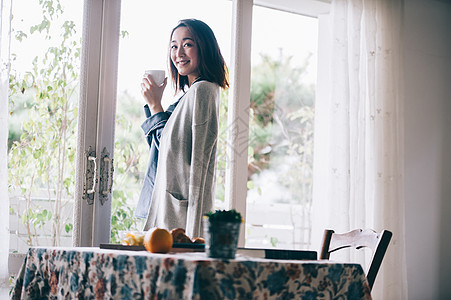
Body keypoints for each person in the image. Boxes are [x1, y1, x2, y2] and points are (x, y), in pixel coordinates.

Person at [135, 19, 229, 237]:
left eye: (187, 44)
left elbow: (196, 162)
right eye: (174, 46)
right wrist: (155, 106)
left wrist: (155, 106)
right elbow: (164, 147)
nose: (178, 53)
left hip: (182, 218)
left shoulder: (203, 91)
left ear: (204, 48)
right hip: (172, 210)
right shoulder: (189, 95)